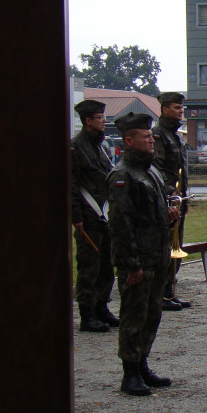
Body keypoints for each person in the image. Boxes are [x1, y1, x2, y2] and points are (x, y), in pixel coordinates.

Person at [108, 112, 181, 396]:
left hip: (157, 257)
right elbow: (121, 224)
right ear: (129, 140)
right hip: (138, 260)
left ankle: (142, 363)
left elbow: (152, 212)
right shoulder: (123, 175)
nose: (151, 139)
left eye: (151, 135)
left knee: (152, 315)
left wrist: (169, 212)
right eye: (145, 136)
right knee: (134, 317)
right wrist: (131, 264)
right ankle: (130, 372)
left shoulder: (149, 170)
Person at [71, 99, 119, 333]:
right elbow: (72, 186)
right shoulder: (75, 147)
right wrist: (77, 217)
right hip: (88, 217)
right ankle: (87, 313)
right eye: (100, 118)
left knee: (107, 264)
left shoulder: (99, 146)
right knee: (89, 265)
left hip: (105, 215)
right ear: (88, 120)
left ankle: (102, 306)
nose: (104, 121)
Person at [152, 92, 191, 311]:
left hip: (179, 199)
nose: (180, 111)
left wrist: (185, 195)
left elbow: (182, 171)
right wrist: (171, 195)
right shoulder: (159, 135)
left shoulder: (176, 135)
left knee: (177, 246)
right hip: (168, 200)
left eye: (181, 108)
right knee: (166, 248)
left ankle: (169, 291)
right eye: (176, 108)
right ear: (165, 109)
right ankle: (161, 294)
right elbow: (158, 168)